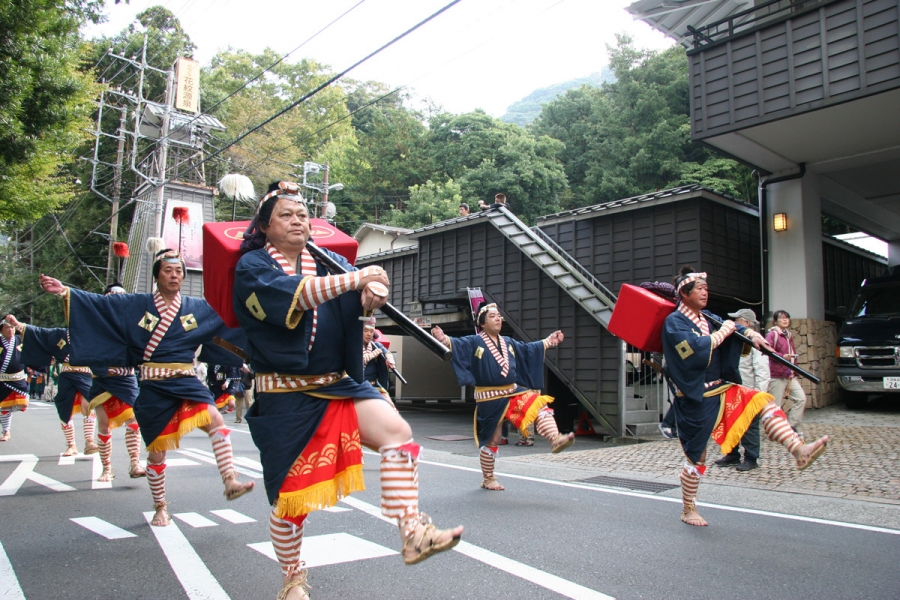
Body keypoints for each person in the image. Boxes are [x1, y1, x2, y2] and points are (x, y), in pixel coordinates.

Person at [233, 180, 463, 600]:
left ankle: (411, 530)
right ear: (265, 225)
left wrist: (372, 293)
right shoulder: (252, 268)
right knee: (291, 502)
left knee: (398, 434)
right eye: (286, 214)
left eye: (303, 214)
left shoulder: (330, 261)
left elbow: (364, 291)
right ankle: (293, 577)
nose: (298, 220)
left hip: (337, 385)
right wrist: (357, 279)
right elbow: (298, 297)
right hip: (285, 396)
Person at [39, 248, 254, 528]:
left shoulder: (196, 307)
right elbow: (101, 307)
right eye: (168, 271)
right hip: (152, 383)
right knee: (156, 451)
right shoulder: (135, 305)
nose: (175, 275)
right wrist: (65, 293)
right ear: (157, 276)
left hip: (186, 379)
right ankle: (160, 506)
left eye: (179, 271)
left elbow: (228, 316)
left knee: (215, 419)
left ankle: (229, 480)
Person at [662, 266, 829, 526]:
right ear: (684, 293)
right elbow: (694, 351)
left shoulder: (707, 317)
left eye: (706, 289)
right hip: (695, 397)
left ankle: (798, 449)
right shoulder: (674, 322)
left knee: (762, 401)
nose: (706, 293)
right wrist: (725, 332)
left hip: (723, 388)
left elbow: (735, 330)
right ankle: (688, 509)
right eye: (700, 289)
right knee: (698, 457)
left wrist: (752, 334)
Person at [432, 302, 573, 491]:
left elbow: (528, 349)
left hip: (512, 391)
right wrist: (444, 339)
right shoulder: (475, 342)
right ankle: (488, 478)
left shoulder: (508, 342)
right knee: (494, 439)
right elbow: (456, 345)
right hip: (488, 396)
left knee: (537, 404)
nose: (498, 318)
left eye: (498, 316)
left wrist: (549, 341)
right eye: (492, 316)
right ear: (482, 323)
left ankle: (555, 439)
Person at [14, 321, 96, 457]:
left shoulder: (92, 333)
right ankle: (71, 445)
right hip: (66, 372)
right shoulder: (60, 333)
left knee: (88, 406)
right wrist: (17, 324)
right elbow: (39, 332)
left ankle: (89, 441)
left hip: (86, 372)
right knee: (64, 409)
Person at [713, 308, 770, 472]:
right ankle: (731, 453)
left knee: (749, 426)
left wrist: (759, 394)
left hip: (749, 391)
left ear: (746, 323)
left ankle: (751, 458)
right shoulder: (735, 340)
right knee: (729, 422)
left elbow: (762, 371)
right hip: (732, 387)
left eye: (737, 320)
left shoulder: (756, 342)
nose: (734, 323)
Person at [766, 310, 807, 432]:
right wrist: (782, 356)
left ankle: (791, 426)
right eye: (782, 318)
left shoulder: (788, 335)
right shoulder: (773, 334)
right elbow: (766, 350)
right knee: (775, 405)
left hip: (789, 374)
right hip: (776, 374)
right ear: (775, 321)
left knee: (801, 398)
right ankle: (774, 429)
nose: (785, 320)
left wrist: (795, 370)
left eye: (787, 318)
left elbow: (793, 353)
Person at [0, 318, 29, 441]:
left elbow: (31, 353)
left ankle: (5, 417)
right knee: (4, 407)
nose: (10, 329)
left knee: (23, 403)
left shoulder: (20, 340)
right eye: (7, 327)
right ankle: (6, 432)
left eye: (12, 327)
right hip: (3, 380)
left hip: (19, 379)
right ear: (1, 330)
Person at [362, 318, 396, 407]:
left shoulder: (376, 346)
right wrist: (373, 354)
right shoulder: (352, 347)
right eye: (365, 331)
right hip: (357, 387)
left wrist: (390, 359)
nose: (369, 334)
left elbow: (387, 352)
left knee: (389, 408)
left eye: (371, 331)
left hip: (374, 387)